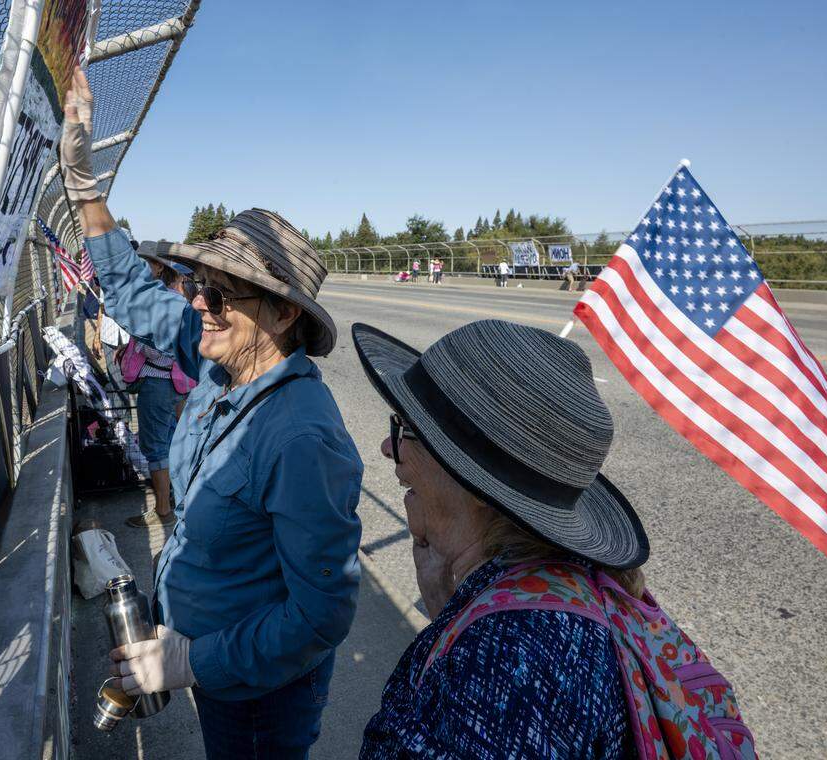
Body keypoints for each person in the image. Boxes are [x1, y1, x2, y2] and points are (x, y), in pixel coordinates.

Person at [60, 66, 363, 759]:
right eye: (200, 285)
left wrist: (190, 663)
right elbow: (136, 294)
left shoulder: (301, 438)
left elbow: (320, 616)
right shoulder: (215, 362)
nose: (199, 303)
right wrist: (84, 188)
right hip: (215, 663)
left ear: (284, 315)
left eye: (222, 296)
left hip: (257, 695)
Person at [351, 320, 754, 760]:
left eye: (405, 429)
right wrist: (448, 608)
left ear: (473, 482)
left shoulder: (506, 661)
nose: (388, 449)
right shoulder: (559, 588)